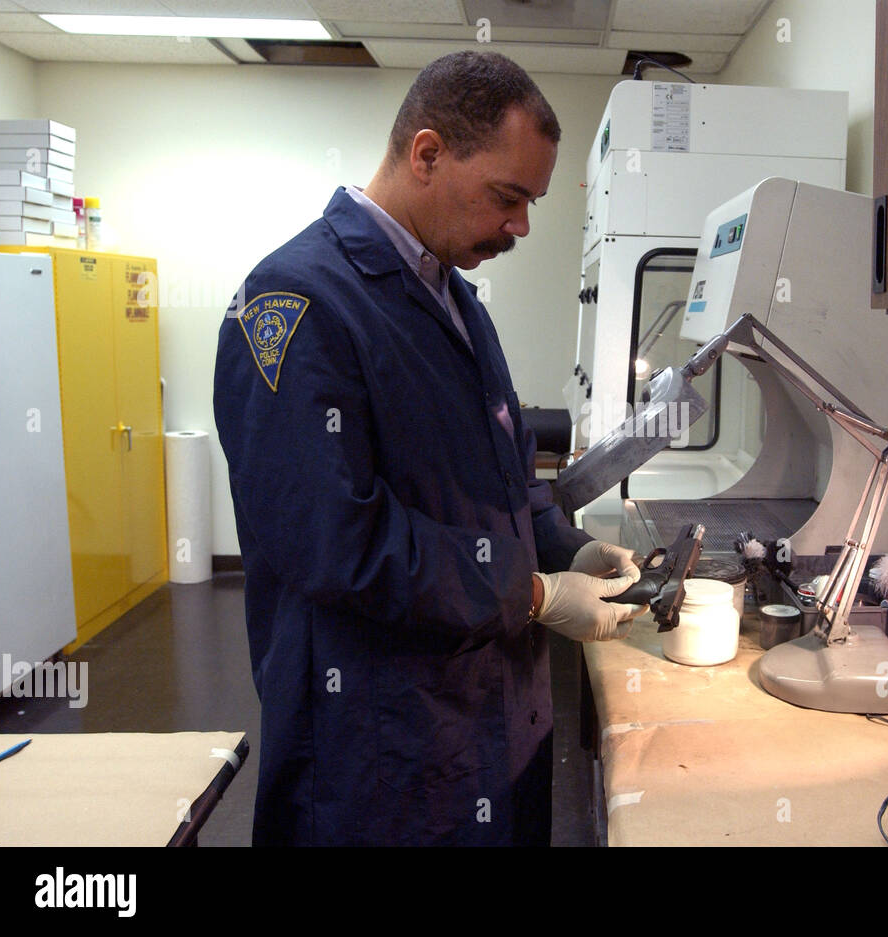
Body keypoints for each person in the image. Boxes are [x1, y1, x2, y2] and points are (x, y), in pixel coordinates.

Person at [213, 51, 645, 846]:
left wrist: (570, 548)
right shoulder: (297, 305)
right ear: (427, 153)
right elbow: (337, 542)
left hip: (489, 722)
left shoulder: (454, 300)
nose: (521, 226)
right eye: (508, 197)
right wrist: (537, 595)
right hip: (379, 755)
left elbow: (504, 481)